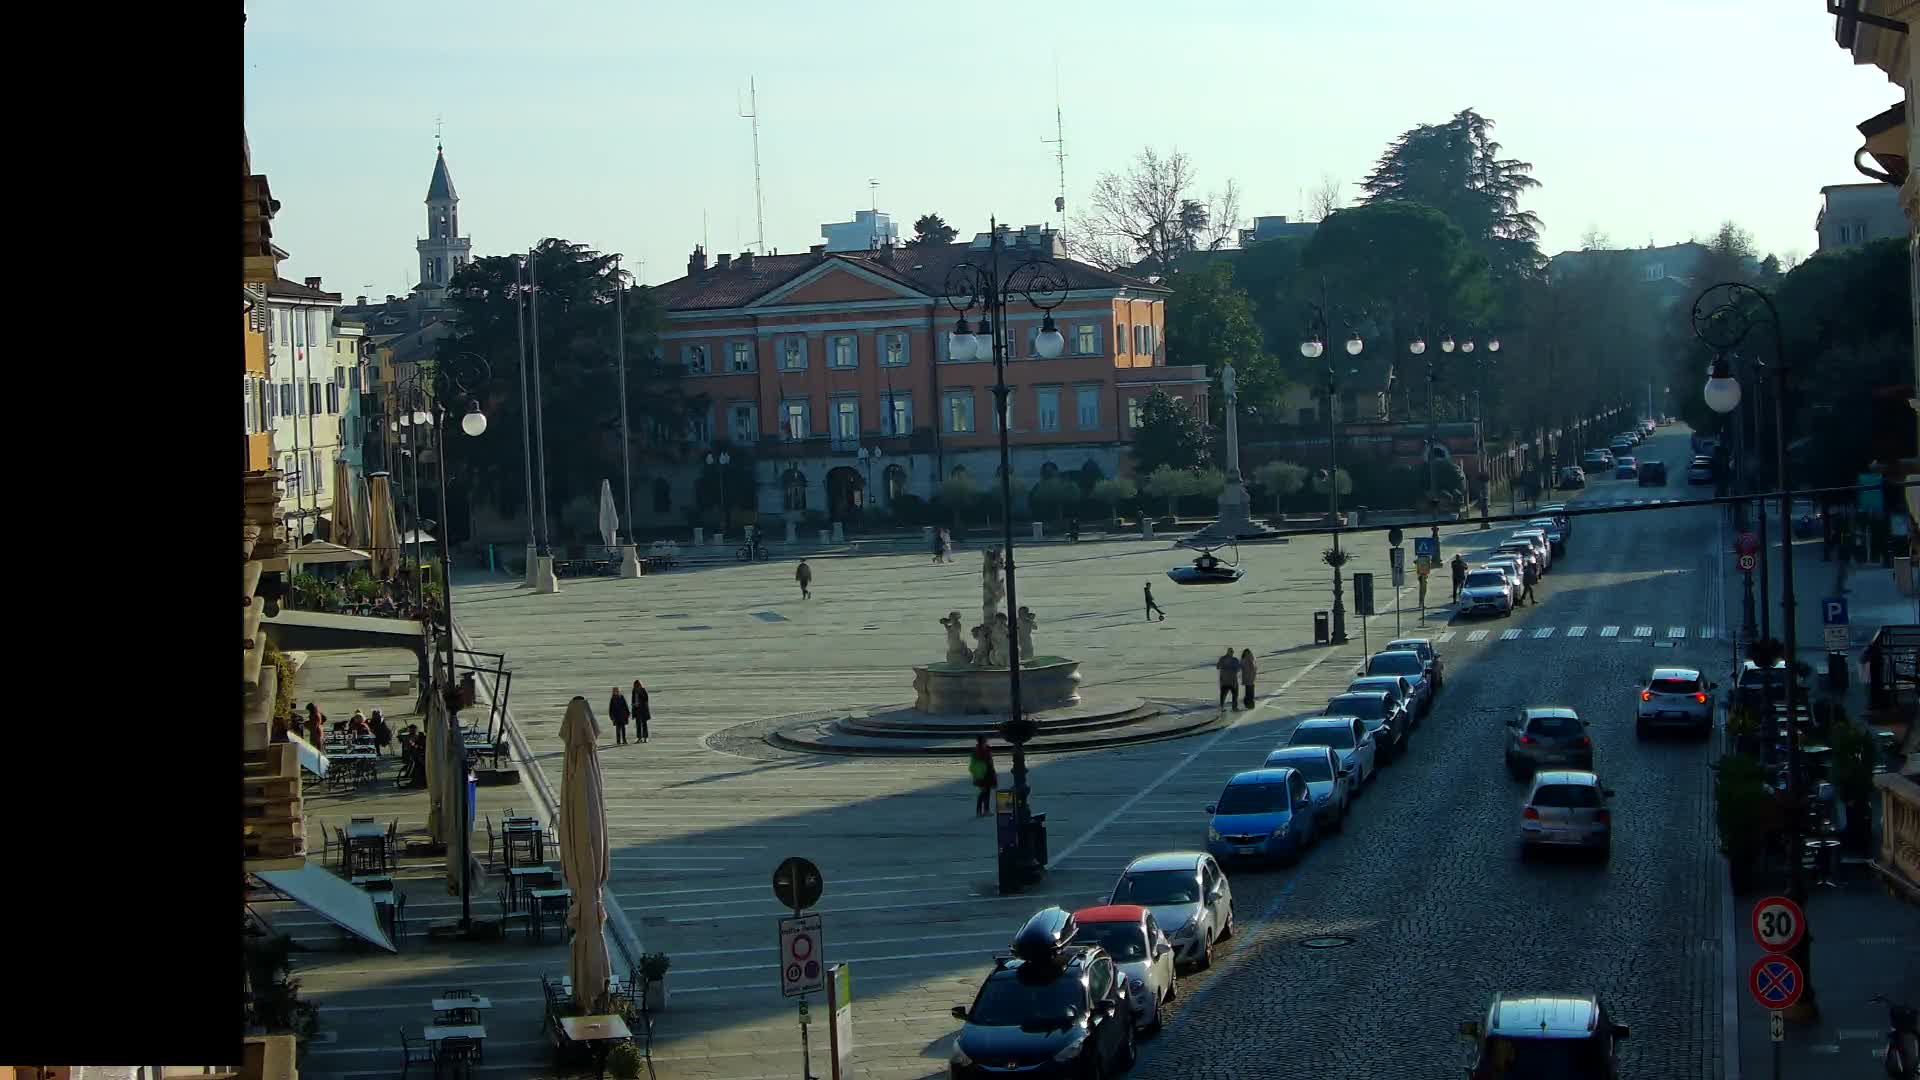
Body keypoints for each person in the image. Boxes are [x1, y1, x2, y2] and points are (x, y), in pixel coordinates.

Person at [968, 735, 998, 817]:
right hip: (983, 773)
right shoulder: (980, 751)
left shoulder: (983, 749)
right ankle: (982, 811)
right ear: (982, 741)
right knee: (984, 792)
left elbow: (990, 761)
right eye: (985, 740)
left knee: (986, 792)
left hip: (986, 773)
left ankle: (984, 810)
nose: (986, 740)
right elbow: (986, 761)